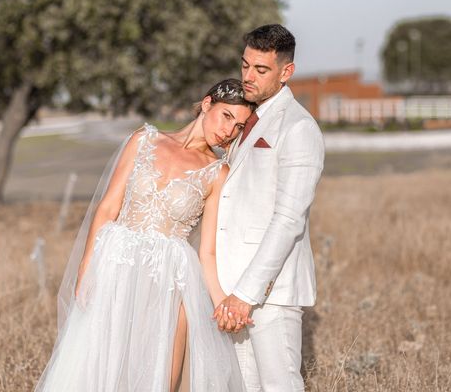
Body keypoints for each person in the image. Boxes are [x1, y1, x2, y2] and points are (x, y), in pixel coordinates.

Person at [35, 79, 253, 392]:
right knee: (99, 361)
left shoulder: (217, 172)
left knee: (160, 374)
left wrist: (223, 303)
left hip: (169, 276)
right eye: (226, 116)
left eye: (239, 125)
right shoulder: (144, 139)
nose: (229, 130)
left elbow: (207, 252)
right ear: (207, 105)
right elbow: (108, 207)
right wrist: (86, 268)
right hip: (115, 263)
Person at [213, 24, 325, 392]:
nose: (248, 77)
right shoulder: (247, 120)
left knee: (279, 386)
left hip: (270, 293)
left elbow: (289, 220)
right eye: (245, 65)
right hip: (231, 289)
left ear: (286, 72)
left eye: (261, 70)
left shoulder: (298, 128)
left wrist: (246, 295)